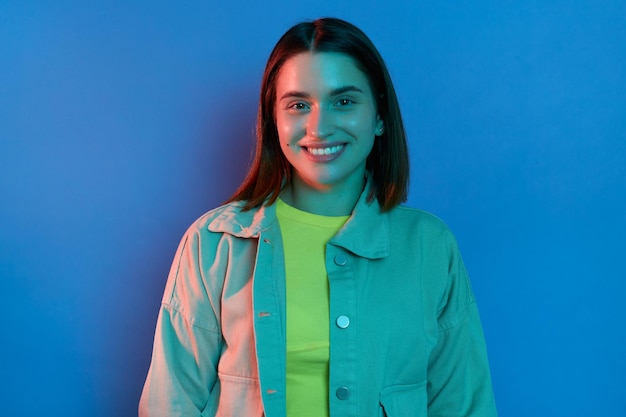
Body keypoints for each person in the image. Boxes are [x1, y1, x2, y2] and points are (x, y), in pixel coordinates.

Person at [139, 17, 497, 417]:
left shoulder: (430, 246)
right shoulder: (212, 242)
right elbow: (170, 403)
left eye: (343, 101)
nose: (319, 126)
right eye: (298, 105)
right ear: (274, 121)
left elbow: (464, 405)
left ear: (379, 115)